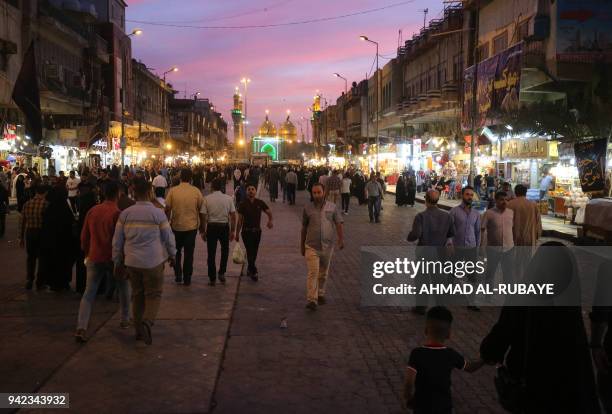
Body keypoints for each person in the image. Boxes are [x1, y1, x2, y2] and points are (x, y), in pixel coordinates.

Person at [480, 242, 601, 413]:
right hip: (567, 393)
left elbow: (495, 345)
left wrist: (485, 356)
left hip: (531, 390)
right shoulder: (570, 308)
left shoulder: (520, 298)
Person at [112, 178, 176, 345]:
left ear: (134, 193)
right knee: (154, 294)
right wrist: (173, 255)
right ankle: (147, 322)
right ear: (150, 192)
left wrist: (117, 260)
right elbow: (168, 237)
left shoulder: (125, 214)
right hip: (153, 261)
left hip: (132, 262)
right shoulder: (158, 213)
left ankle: (138, 331)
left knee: (137, 295)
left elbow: (117, 241)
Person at [75, 181, 129, 343]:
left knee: (88, 294)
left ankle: (81, 327)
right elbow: (120, 240)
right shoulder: (117, 213)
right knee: (124, 287)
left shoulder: (93, 211)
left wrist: (86, 252)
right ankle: (125, 318)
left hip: (94, 256)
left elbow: (84, 237)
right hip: (113, 258)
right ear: (118, 194)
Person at [404, 307, 483, 413]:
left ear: (426, 330)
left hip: (421, 406)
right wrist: (484, 360)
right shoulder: (450, 354)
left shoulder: (417, 353)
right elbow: (469, 367)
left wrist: (409, 398)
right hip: (443, 407)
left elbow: (409, 383)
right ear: (448, 334)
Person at [407, 190, 455, 314]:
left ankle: (421, 307)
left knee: (422, 281)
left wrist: (409, 236)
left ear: (426, 200)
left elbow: (415, 234)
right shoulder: (447, 216)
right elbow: (451, 234)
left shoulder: (421, 216)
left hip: (424, 252)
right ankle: (440, 307)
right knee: (439, 281)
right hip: (440, 253)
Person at [301, 183, 344, 310]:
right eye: (314, 193)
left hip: (327, 247)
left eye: (318, 192)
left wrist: (341, 240)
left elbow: (339, 223)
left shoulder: (332, 207)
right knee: (313, 273)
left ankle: (320, 293)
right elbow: (303, 228)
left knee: (323, 273)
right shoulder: (307, 208)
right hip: (311, 246)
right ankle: (312, 299)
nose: (316, 195)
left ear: (324, 192)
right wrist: (301, 245)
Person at [165, 168, 205, 286]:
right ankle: (187, 277)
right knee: (189, 253)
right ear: (191, 178)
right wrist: (203, 227)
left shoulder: (173, 191)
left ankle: (178, 275)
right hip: (191, 227)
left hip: (176, 226)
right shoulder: (196, 191)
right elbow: (202, 210)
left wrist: (166, 223)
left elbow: (167, 209)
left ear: (180, 177)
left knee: (176, 252)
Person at [449, 186, 481, 311]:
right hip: (457, 247)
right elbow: (449, 230)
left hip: (471, 248)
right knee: (452, 273)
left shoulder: (476, 214)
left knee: (472, 276)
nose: (469, 197)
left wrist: (477, 248)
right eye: (467, 194)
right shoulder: (454, 211)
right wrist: (450, 243)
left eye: (471, 195)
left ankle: (471, 301)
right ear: (462, 195)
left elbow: (478, 232)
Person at [200, 178, 236, 286]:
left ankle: (212, 278)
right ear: (221, 187)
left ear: (212, 187)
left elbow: (203, 216)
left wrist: (203, 231)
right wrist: (233, 231)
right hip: (224, 227)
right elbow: (233, 216)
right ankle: (222, 272)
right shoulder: (228, 199)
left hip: (211, 227)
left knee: (211, 252)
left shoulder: (206, 199)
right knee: (225, 250)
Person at [236, 184, 273, 281]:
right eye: (249, 189)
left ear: (256, 191)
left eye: (253, 189)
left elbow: (268, 211)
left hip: (257, 232)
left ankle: (249, 268)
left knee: (254, 251)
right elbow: (240, 220)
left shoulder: (259, 203)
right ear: (246, 192)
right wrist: (236, 233)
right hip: (246, 232)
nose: (251, 191)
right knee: (249, 251)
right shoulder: (242, 204)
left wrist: (270, 220)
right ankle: (254, 271)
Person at [481, 191, 514, 285]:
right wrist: (481, 247)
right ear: (496, 200)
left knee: (508, 274)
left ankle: (509, 297)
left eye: (506, 200)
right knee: (490, 273)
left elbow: (512, 229)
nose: (504, 202)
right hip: (493, 250)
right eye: (501, 200)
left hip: (509, 250)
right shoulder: (488, 213)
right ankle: (488, 295)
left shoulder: (511, 213)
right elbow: (482, 230)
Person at [19, 185, 49, 290]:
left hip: (30, 233)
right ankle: (40, 282)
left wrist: (21, 238)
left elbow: (22, 222)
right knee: (42, 258)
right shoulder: (46, 204)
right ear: (45, 193)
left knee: (31, 258)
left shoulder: (27, 204)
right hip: (41, 233)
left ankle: (29, 279)